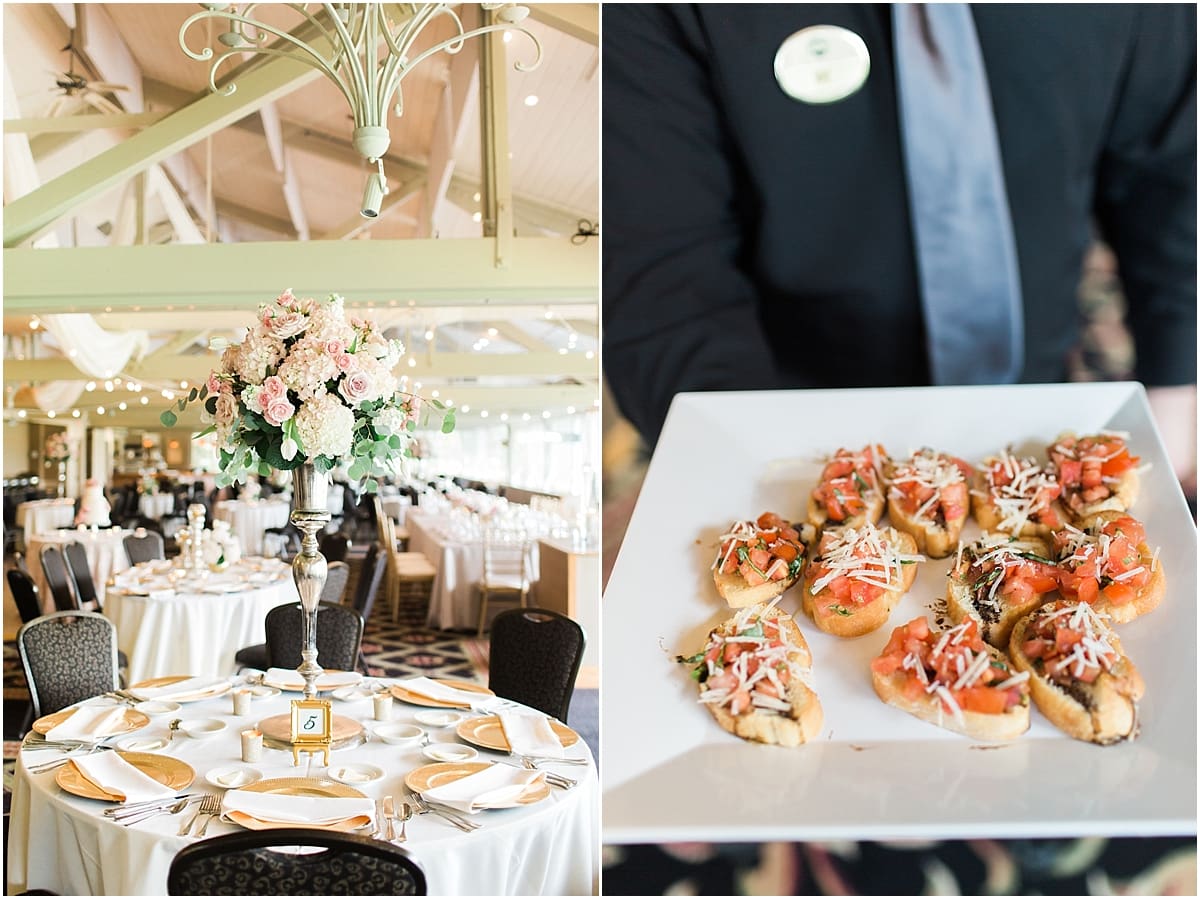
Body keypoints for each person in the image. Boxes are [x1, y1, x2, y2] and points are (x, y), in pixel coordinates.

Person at [602, 3, 1195, 493]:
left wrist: (1179, 378)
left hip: (1042, 392)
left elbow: (1173, 171)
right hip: (797, 417)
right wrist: (765, 477)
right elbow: (664, 278)